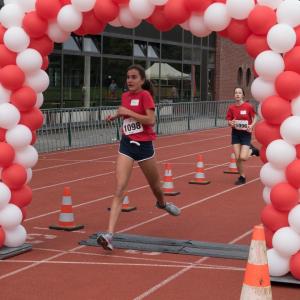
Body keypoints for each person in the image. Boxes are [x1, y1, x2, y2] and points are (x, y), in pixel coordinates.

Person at [97, 64, 181, 251]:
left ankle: (162, 203)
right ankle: (109, 235)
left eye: (134, 77)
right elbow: (127, 116)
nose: (129, 80)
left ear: (142, 80)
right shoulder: (125, 96)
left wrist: (128, 112)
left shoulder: (145, 96)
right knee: (119, 188)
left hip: (144, 147)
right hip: (126, 145)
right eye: (128, 77)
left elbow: (150, 120)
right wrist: (115, 116)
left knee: (156, 187)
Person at [226, 87, 259, 185]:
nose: (237, 94)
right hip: (236, 134)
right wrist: (231, 123)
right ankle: (242, 177)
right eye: (236, 93)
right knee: (237, 158)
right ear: (234, 95)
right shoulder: (231, 108)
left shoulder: (248, 106)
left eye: (239, 93)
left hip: (246, 134)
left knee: (243, 157)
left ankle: (253, 150)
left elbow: (255, 117)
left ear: (243, 95)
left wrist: (251, 125)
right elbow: (229, 121)